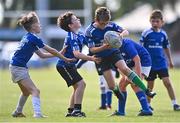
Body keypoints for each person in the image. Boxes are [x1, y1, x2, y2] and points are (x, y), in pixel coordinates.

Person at [10, 11, 74, 118]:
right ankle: (37, 114)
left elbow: (42, 55)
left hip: (16, 67)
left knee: (26, 92)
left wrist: (59, 54)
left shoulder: (28, 37)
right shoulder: (34, 38)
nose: (40, 26)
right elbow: (51, 49)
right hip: (18, 68)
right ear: (34, 26)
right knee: (35, 91)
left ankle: (17, 112)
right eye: (39, 24)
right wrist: (65, 58)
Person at [85, 7, 156, 102]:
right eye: (102, 24)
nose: (104, 26)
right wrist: (104, 47)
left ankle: (146, 91)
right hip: (101, 57)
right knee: (110, 85)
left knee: (125, 69)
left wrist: (120, 35)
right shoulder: (89, 31)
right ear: (96, 20)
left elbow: (126, 31)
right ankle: (117, 92)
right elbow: (92, 49)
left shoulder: (111, 25)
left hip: (113, 52)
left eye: (106, 23)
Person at [56, 12, 100, 117]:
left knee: (77, 86)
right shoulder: (71, 37)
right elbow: (77, 54)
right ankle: (77, 110)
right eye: (75, 19)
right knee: (81, 84)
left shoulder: (79, 34)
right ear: (70, 25)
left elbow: (91, 45)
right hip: (64, 65)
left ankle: (71, 111)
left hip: (69, 65)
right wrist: (91, 58)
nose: (78, 20)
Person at [140, 9, 180, 111]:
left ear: (162, 22)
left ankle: (175, 104)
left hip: (161, 63)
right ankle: (148, 105)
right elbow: (141, 48)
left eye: (157, 21)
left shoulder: (163, 34)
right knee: (150, 85)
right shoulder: (146, 33)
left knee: (167, 83)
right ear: (150, 21)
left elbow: (166, 47)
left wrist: (170, 61)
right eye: (153, 21)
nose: (155, 23)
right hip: (150, 64)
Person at [111, 38, 153, 116]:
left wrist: (138, 77)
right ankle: (121, 112)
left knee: (135, 84)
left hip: (143, 61)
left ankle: (146, 110)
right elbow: (118, 66)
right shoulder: (112, 49)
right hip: (131, 64)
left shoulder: (127, 44)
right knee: (122, 84)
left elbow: (137, 60)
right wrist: (125, 76)